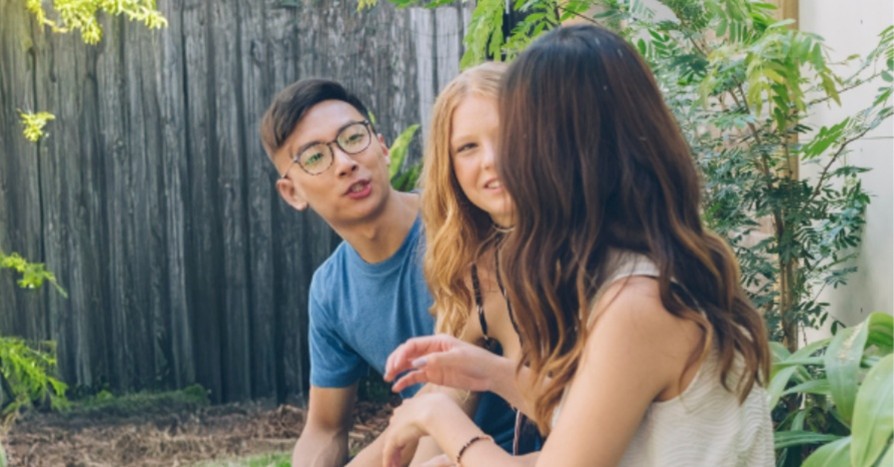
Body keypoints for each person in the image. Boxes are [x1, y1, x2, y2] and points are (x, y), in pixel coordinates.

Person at [381, 24, 774, 466]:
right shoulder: (629, 269)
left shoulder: (639, 302)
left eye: (517, 137)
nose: (501, 160)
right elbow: (591, 426)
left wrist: (439, 417)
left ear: (570, 153)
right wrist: (489, 372)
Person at [258, 78, 514, 466]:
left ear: (381, 146)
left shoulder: (466, 226)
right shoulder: (331, 291)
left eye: (353, 138)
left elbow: (450, 389)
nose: (345, 163)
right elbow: (325, 428)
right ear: (292, 192)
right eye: (315, 157)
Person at [417, 61, 539, 456]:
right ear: (449, 167)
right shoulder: (478, 272)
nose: (491, 159)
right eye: (468, 147)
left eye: (509, 135)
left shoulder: (592, 256)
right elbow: (437, 409)